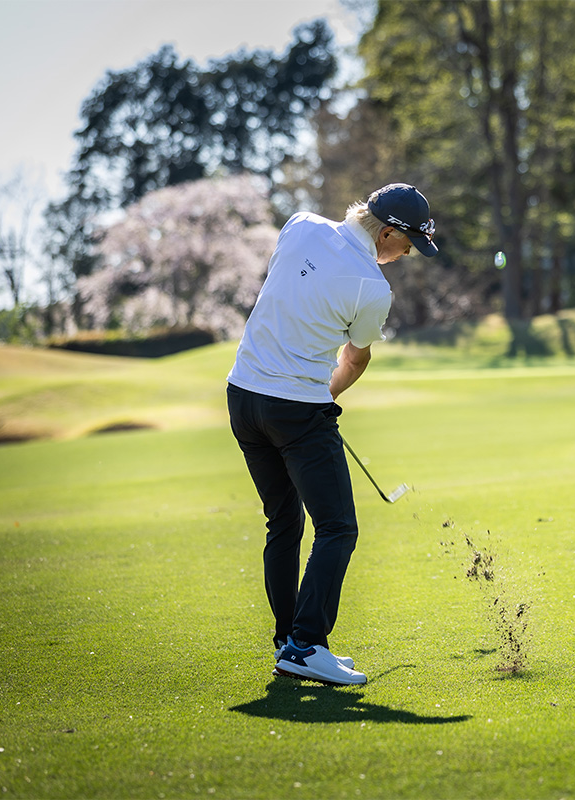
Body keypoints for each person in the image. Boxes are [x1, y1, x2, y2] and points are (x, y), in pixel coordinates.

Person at [226, 183, 437, 685]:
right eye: (406, 247)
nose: (405, 256)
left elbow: (290, 288)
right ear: (387, 233)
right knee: (338, 528)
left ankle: (288, 642)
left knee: (284, 523)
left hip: (242, 397)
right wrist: (327, 394)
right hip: (296, 410)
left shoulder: (300, 224)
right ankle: (305, 644)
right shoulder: (372, 286)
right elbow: (354, 358)